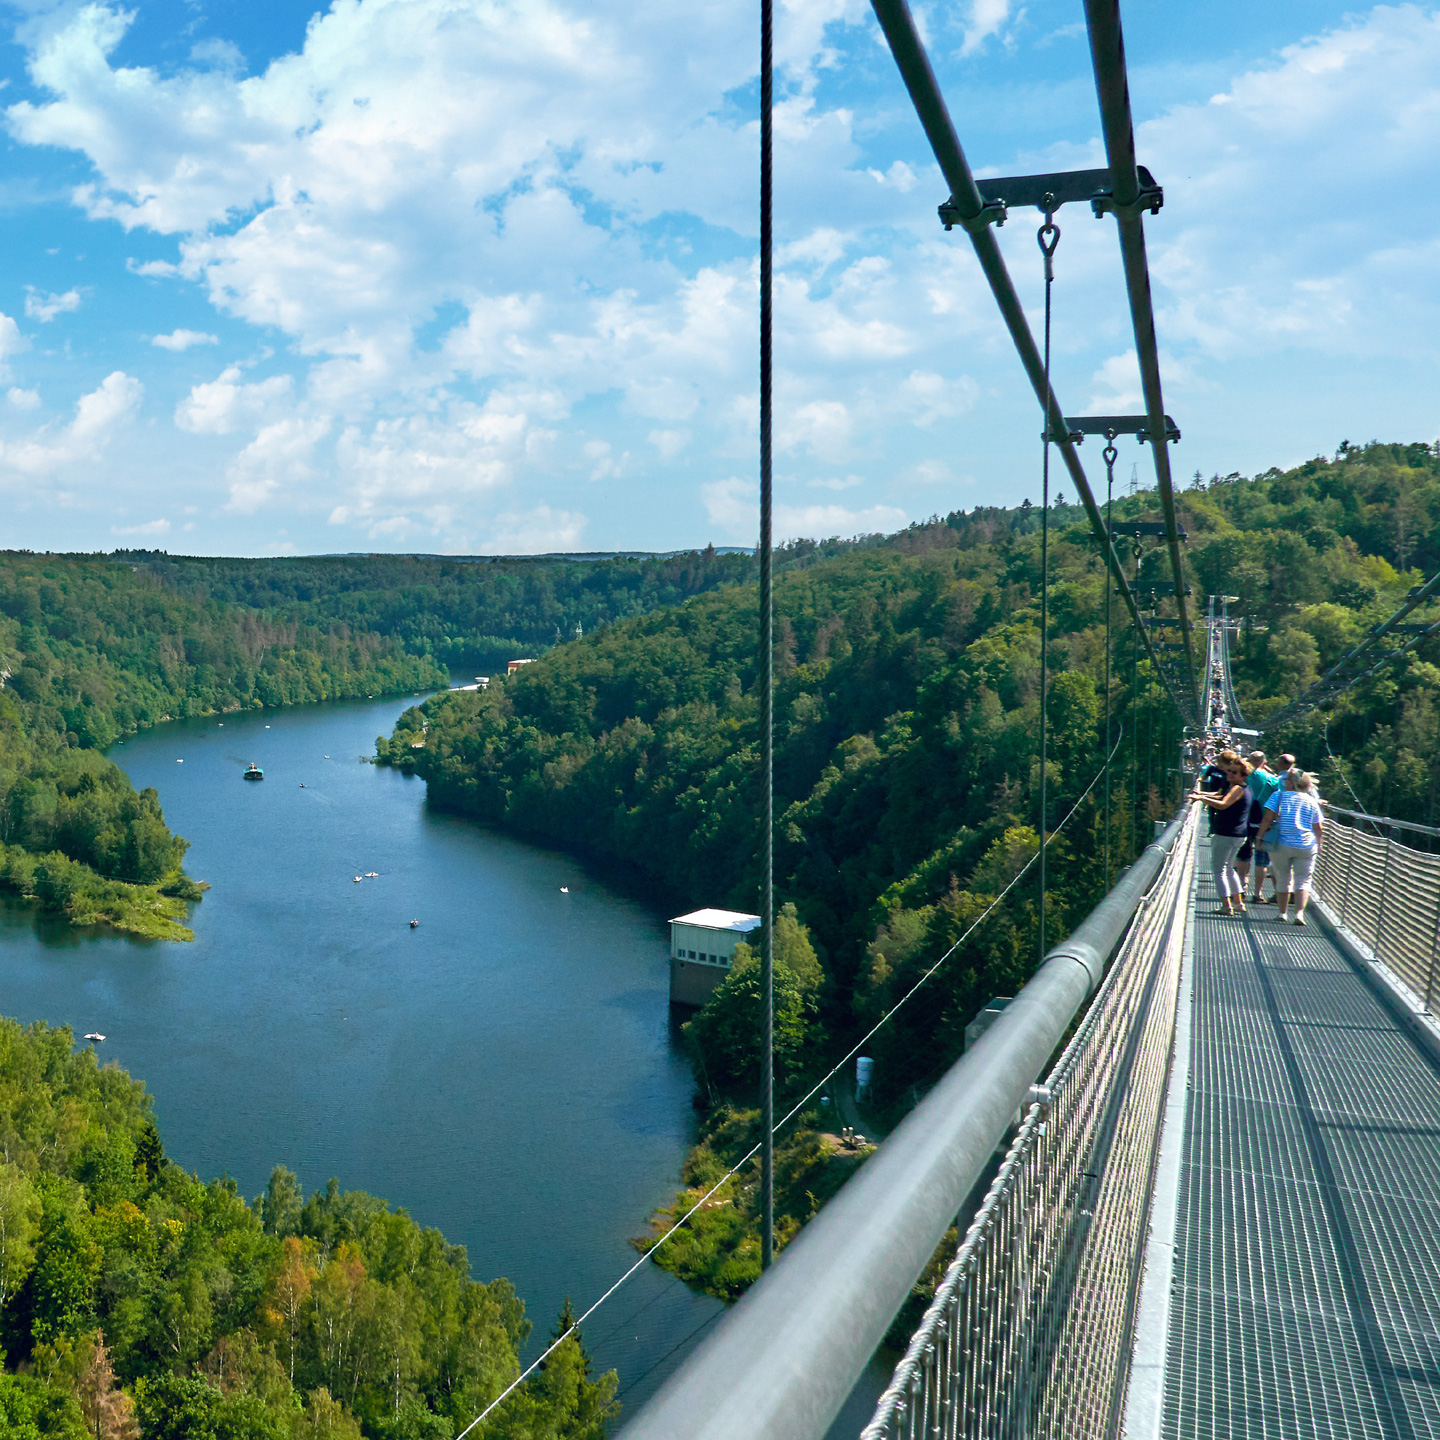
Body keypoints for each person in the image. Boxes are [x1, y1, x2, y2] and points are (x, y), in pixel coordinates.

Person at [1255, 769, 1325, 925]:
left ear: (1291, 782)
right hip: (1306, 845)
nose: (1283, 781)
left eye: (1286, 779)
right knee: (1303, 880)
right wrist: (1319, 843)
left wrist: (1259, 838)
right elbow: (1318, 827)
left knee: (1283, 878)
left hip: (1281, 843)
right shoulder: (1311, 800)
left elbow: (1267, 819)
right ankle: (1299, 915)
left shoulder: (1277, 796)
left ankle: (1282, 913)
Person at [1189, 751, 1252, 915]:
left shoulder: (1238, 789)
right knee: (1229, 869)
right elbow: (1219, 795)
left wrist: (1201, 799)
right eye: (1229, 771)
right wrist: (1202, 794)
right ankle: (1238, 903)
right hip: (1238, 834)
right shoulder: (1240, 787)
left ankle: (1226, 906)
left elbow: (1223, 804)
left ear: (1243, 775)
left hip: (1227, 834)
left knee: (1219, 870)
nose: (1229, 774)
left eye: (1234, 772)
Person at [1237, 750, 1283, 903]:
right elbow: (1278, 801)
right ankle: (1257, 893)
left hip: (1243, 820)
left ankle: (1241, 888)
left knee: (1243, 854)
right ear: (1264, 762)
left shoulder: (1242, 776)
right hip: (1264, 822)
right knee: (1261, 860)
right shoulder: (1271, 779)